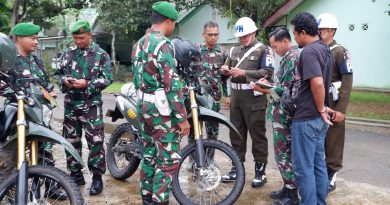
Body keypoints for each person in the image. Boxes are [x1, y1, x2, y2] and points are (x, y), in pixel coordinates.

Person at [131, 1, 190, 204]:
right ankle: (159, 201)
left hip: (144, 106)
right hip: (161, 111)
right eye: (174, 23)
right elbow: (172, 85)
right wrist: (182, 119)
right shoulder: (163, 44)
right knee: (168, 160)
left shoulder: (138, 43)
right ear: (168, 21)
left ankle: (147, 198)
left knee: (149, 154)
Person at [3, 23, 67, 200]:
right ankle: (10, 191)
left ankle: (49, 186)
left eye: (37, 38)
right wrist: (18, 95)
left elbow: (46, 83)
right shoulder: (9, 60)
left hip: (39, 113)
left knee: (44, 150)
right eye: (33, 38)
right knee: (13, 152)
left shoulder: (36, 60)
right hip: (18, 114)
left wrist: (50, 91)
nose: (36, 42)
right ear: (19, 38)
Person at [55, 19, 113, 195]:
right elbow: (58, 73)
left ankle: (96, 177)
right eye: (75, 38)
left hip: (91, 105)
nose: (78, 41)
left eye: (81, 37)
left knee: (95, 141)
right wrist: (64, 81)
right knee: (71, 140)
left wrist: (87, 84)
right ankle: (75, 174)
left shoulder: (101, 54)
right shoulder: (68, 53)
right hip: (71, 104)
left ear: (90, 35)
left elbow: (108, 78)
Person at [220, 17, 274, 188]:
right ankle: (237, 167)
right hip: (236, 98)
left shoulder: (263, 50)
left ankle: (260, 171)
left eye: (245, 36)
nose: (242, 39)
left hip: (254, 98)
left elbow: (268, 72)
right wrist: (224, 70)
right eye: (240, 36)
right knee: (236, 134)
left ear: (253, 33)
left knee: (257, 135)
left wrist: (244, 73)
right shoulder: (234, 50)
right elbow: (226, 69)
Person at [290, 12, 335, 205]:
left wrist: (321, 108)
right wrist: (322, 109)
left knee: (304, 168)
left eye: (295, 34)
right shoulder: (326, 49)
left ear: (302, 32)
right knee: (318, 165)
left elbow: (317, 83)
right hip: (317, 119)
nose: (295, 38)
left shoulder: (308, 52)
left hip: (307, 117)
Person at [251, 27, 299, 205]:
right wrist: (269, 84)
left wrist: (263, 88)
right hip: (280, 114)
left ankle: (292, 195)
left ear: (286, 41)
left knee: (284, 155)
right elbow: (283, 85)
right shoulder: (287, 58)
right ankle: (288, 187)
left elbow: (287, 91)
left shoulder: (293, 59)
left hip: (285, 116)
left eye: (275, 45)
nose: (273, 50)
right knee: (282, 154)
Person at [317, 13, 353, 192]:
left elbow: (347, 80)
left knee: (333, 140)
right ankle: (321, 173)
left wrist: (341, 109)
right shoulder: (316, 48)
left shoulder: (339, 51)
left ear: (331, 31)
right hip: (318, 100)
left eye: (321, 29)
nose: (319, 32)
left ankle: (332, 174)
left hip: (334, 100)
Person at [187, 21, 227, 169]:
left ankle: (209, 160)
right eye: (210, 34)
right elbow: (187, 73)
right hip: (196, 98)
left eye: (216, 34)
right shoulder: (195, 51)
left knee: (213, 131)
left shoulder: (223, 53)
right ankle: (193, 161)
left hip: (214, 99)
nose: (213, 37)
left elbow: (225, 77)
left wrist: (227, 96)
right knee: (193, 130)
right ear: (203, 35)